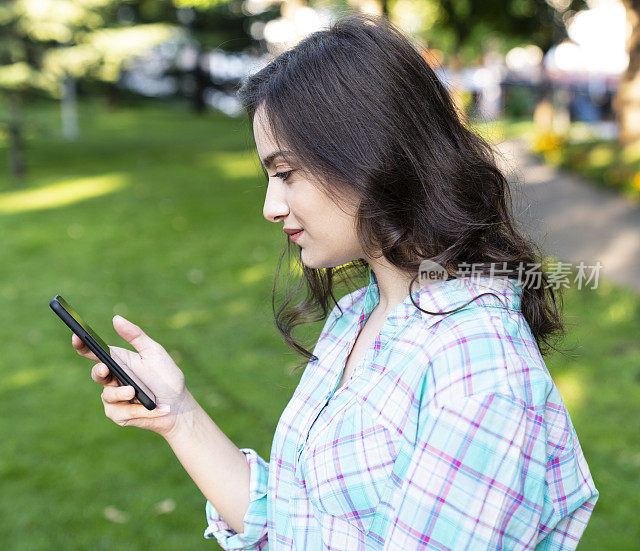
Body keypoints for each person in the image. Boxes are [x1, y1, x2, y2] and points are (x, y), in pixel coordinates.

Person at [71, 13, 599, 550]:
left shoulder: (477, 368)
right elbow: (295, 520)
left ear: (370, 154)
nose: (270, 207)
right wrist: (176, 413)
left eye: (286, 173)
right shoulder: (358, 316)